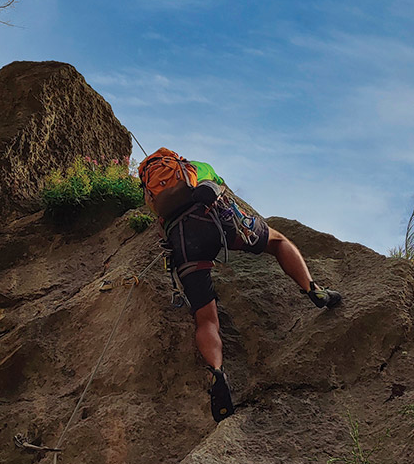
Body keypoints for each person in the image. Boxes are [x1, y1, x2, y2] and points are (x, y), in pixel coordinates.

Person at [139, 148, 341, 423]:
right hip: (217, 220)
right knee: (278, 242)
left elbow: (161, 224)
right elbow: (219, 183)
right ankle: (313, 289)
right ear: (176, 159)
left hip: (185, 243)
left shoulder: (150, 195)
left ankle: (217, 371)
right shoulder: (193, 167)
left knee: (206, 319)